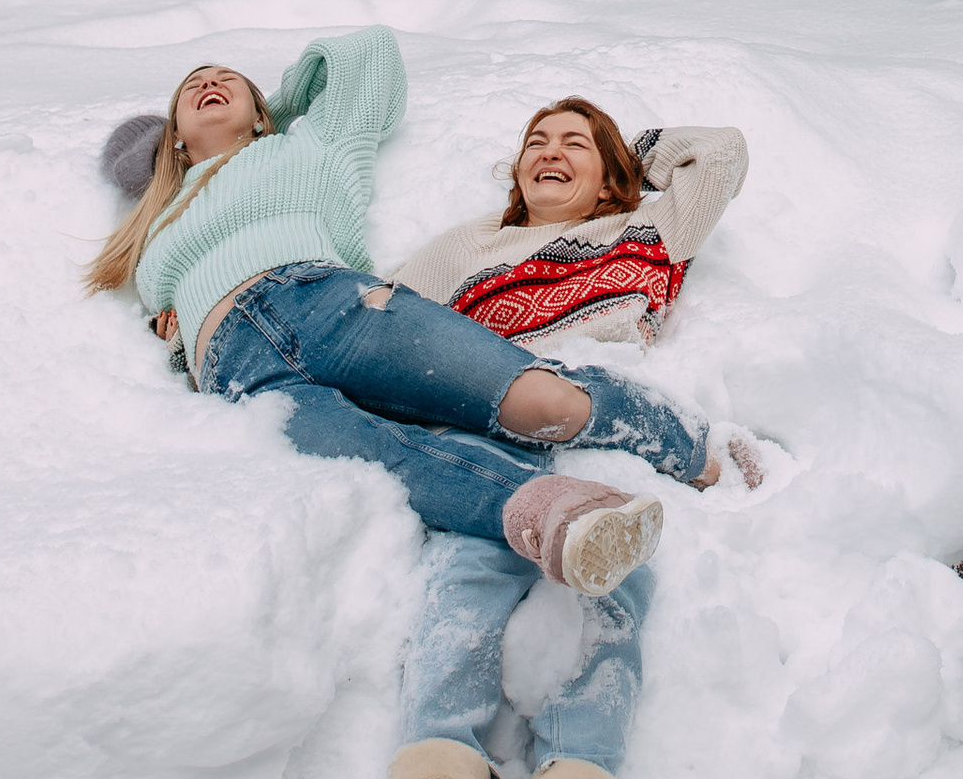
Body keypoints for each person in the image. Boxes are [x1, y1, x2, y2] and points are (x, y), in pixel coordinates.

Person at [87, 33, 726, 618]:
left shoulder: (308, 145)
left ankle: (689, 443)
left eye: (228, 77)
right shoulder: (160, 222)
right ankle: (559, 518)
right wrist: (178, 340)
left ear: (260, 113)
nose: (209, 82)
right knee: (387, 461)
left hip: (329, 304)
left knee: (537, 399)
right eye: (192, 86)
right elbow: (169, 316)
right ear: (172, 133)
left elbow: (368, 55)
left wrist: (273, 110)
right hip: (244, 374)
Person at [375, 102, 751, 779]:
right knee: (463, 586)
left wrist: (639, 153)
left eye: (573, 144)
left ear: (612, 170)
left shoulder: (650, 229)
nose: (547, 153)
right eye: (535, 144)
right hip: (488, 419)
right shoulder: (468, 248)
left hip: (603, 416)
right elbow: (382, 315)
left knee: (610, 582)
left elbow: (722, 156)